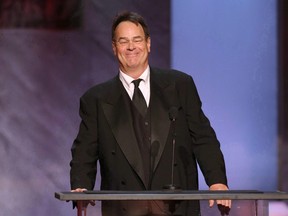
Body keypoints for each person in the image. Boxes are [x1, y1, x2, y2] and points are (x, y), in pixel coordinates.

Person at [70, 11, 231, 216]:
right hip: (124, 210)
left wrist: (217, 181)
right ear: (114, 47)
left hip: (176, 208)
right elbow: (85, 150)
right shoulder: (96, 99)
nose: (131, 47)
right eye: (123, 41)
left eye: (137, 40)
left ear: (148, 44)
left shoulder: (180, 85)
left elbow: (203, 137)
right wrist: (81, 187)